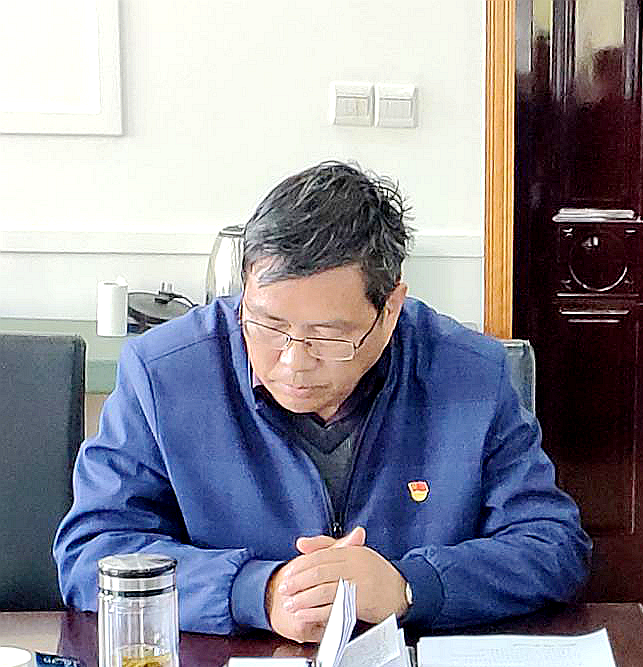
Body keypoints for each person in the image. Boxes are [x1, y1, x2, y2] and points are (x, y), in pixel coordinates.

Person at [54, 161, 590, 640]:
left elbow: (553, 545)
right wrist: (258, 592)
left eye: (329, 335)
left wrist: (410, 586)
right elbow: (92, 551)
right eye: (268, 324)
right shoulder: (164, 372)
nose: (293, 361)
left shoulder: (469, 372)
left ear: (390, 308)